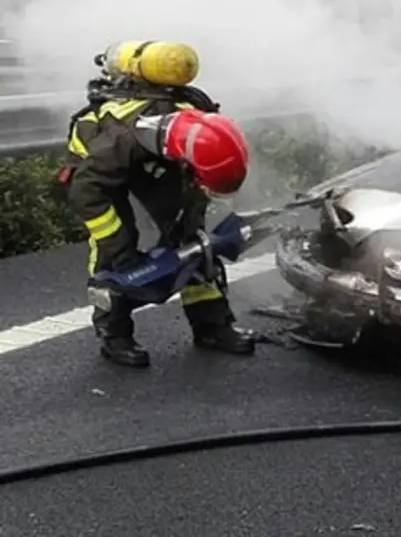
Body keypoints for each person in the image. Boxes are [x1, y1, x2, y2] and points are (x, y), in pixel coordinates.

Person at [61, 40, 256, 368]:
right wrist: (122, 251)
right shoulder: (120, 140)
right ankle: (115, 334)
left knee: (194, 240)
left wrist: (194, 203)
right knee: (112, 252)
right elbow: (88, 194)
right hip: (97, 173)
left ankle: (211, 326)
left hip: (156, 161)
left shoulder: (196, 119)